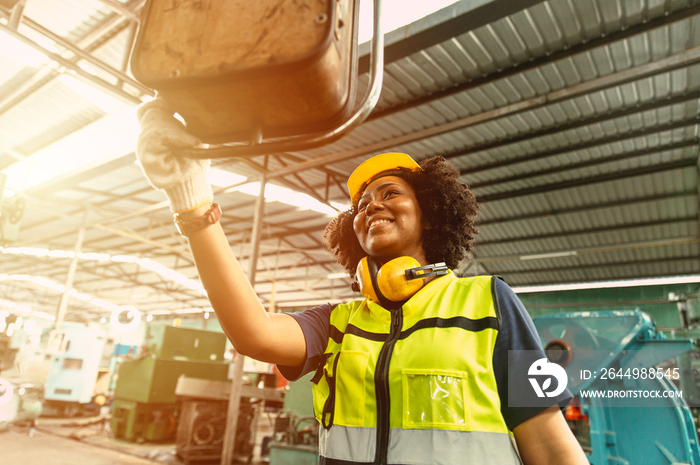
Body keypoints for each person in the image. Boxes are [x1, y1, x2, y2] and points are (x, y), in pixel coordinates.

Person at [136, 97, 588, 464]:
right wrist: (191, 201)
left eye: (390, 193)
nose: (370, 207)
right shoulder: (339, 324)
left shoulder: (488, 301)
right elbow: (253, 334)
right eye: (361, 205)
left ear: (430, 212)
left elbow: (550, 445)